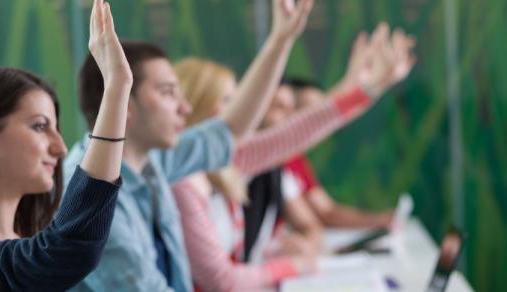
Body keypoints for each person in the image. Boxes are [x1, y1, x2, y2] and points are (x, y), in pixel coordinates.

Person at [63, 0, 316, 290]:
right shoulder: (90, 198)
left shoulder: (152, 160)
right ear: (123, 102)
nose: (184, 108)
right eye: (168, 92)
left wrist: (280, 41)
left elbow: (231, 130)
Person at [171, 22, 416, 291]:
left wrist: (365, 89)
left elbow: (300, 130)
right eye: (229, 100)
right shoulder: (184, 180)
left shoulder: (224, 165)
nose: (241, 110)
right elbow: (222, 280)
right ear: (193, 107)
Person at [0, 0, 132, 290]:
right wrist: (116, 86)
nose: (60, 148)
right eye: (39, 126)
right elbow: (65, 251)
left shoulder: (24, 239)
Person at [244, 23, 416, 262]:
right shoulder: (239, 158)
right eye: (280, 108)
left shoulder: (276, 169)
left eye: (294, 111)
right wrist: (364, 88)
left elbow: (313, 224)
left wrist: (364, 86)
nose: (292, 119)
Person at [282, 77, 394, 229]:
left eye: (319, 114)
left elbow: (326, 211)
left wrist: (378, 220)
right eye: (308, 113)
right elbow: (320, 219)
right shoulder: (274, 161)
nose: (316, 123)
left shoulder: (296, 159)